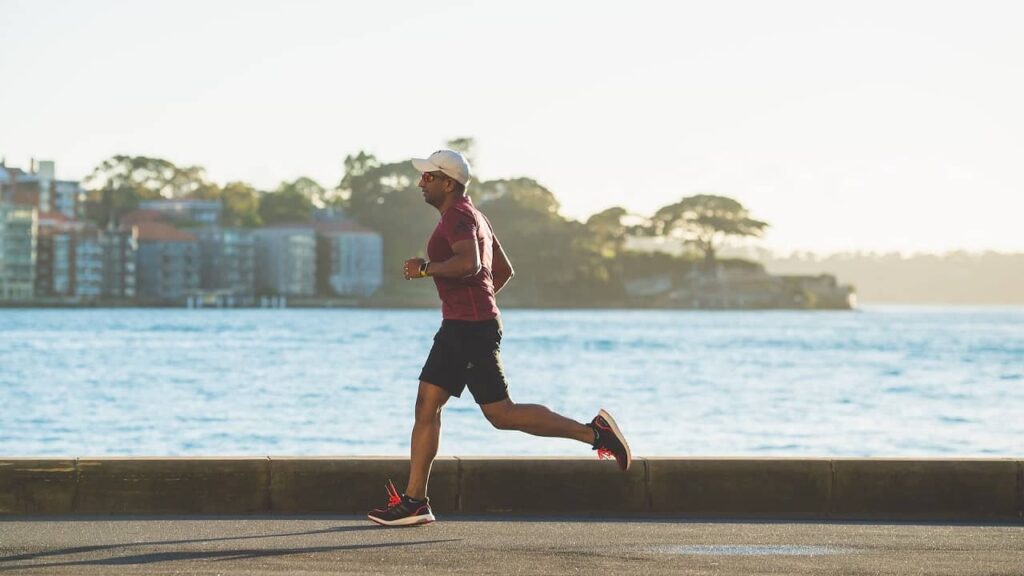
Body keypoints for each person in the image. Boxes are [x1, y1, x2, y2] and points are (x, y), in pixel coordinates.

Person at [367, 149, 631, 527]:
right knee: (428, 404)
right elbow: (502, 271)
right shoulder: (476, 216)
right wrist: (477, 303)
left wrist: (427, 269)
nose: (420, 182)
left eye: (428, 177)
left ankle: (595, 433)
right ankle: (415, 501)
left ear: (448, 182)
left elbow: (472, 264)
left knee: (501, 413)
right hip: (465, 325)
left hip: (468, 329)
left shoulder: (458, 216)